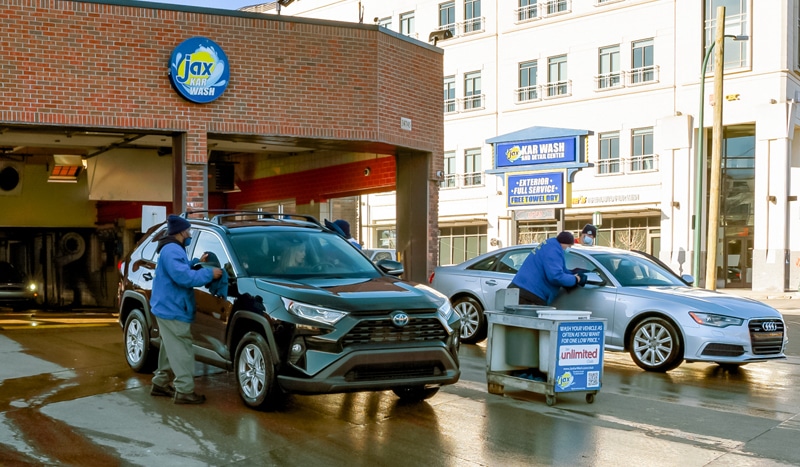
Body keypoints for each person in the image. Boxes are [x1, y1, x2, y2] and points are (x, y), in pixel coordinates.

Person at [150, 215, 222, 405]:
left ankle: (160, 383)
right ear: (181, 232)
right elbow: (183, 277)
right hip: (172, 307)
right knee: (182, 348)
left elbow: (179, 269)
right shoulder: (173, 250)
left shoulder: (170, 248)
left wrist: (196, 261)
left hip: (165, 306)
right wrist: (209, 273)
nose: (189, 233)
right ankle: (184, 391)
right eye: (188, 230)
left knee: (170, 346)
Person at [509, 231, 587, 306]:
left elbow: (558, 269)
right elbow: (556, 277)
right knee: (529, 319)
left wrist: (571, 274)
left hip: (522, 289)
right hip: (530, 294)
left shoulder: (550, 245)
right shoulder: (553, 251)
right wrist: (576, 279)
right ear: (563, 243)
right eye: (569, 246)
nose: (569, 248)